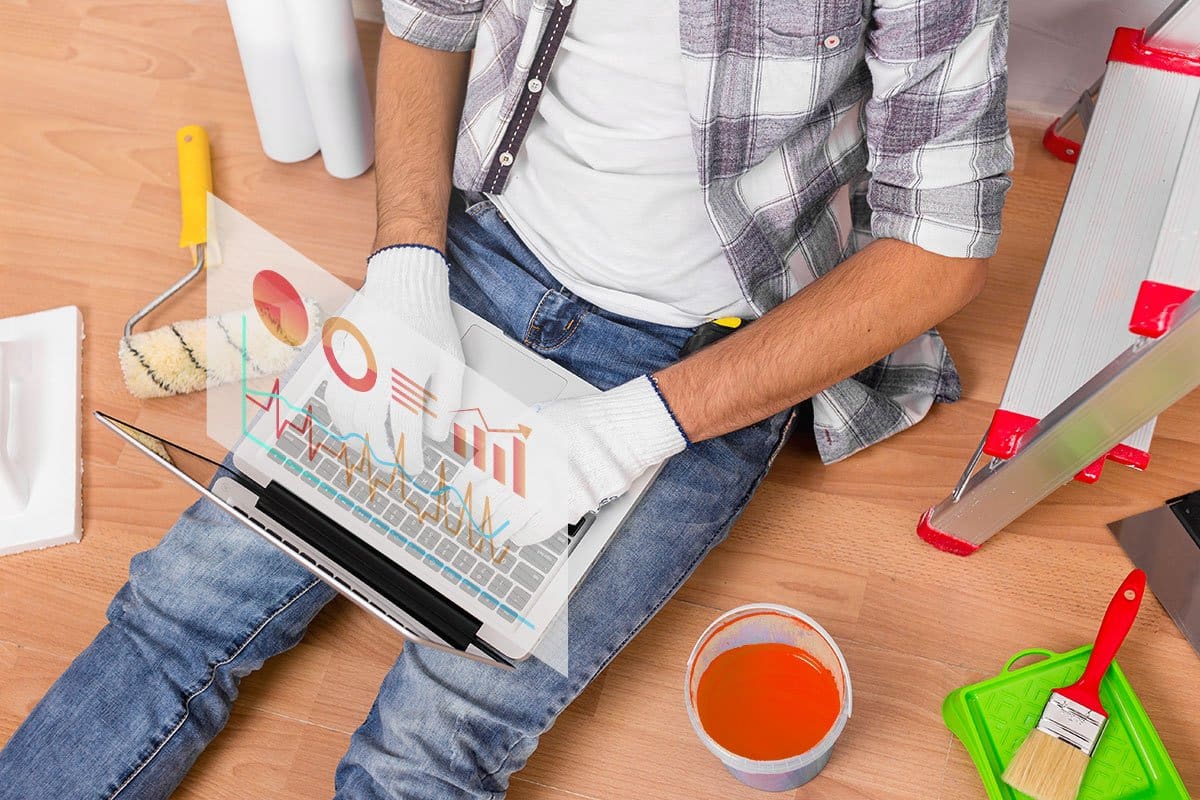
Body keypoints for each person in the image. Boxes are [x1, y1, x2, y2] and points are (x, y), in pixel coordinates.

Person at [0, 0, 1012, 797]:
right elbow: (426, 26)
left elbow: (941, 251)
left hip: (711, 344)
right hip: (476, 248)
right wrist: (403, 265)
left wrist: (631, 427)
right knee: (176, 607)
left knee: (430, 746)